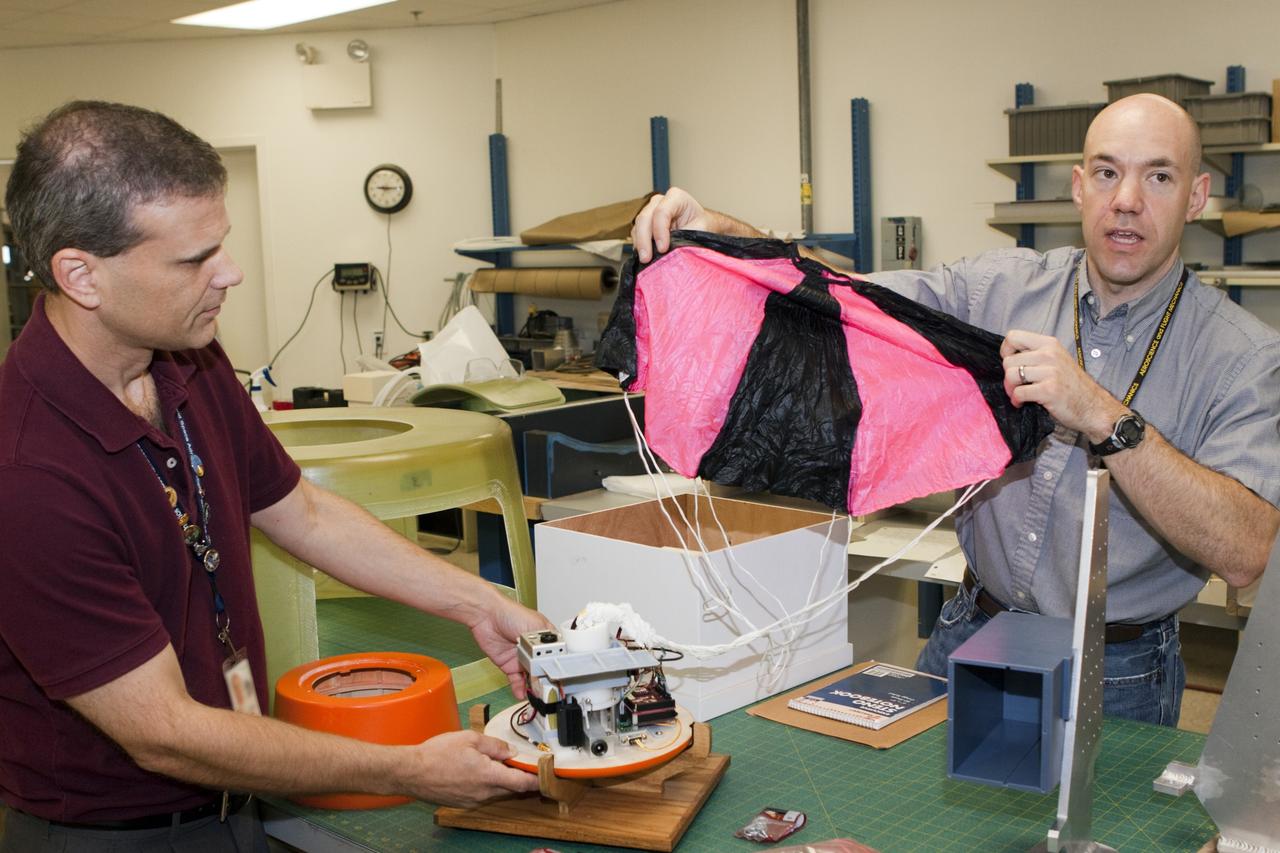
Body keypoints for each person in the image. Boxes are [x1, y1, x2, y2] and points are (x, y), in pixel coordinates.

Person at [631, 93, 1280, 726]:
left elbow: (1247, 549)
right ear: (1079, 186)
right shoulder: (998, 289)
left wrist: (1104, 417)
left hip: (1119, 668)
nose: (1127, 201)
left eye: (1158, 176)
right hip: (973, 630)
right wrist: (720, 234)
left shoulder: (1243, 355)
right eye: (1108, 173)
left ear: (1197, 194)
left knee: (1093, 840)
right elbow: (844, 301)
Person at [0, 101, 544, 852]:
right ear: (80, 275)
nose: (231, 273)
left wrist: (479, 602)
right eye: (194, 259)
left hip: (237, 802)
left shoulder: (188, 355)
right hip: (116, 834)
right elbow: (167, 733)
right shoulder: (27, 476)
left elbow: (304, 513)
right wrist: (410, 770)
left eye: (221, 244)